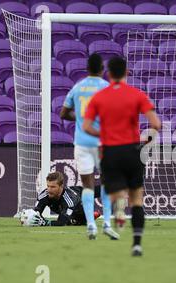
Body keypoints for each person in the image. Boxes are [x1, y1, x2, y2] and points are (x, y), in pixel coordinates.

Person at [83, 56, 161, 256]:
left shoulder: (99, 97)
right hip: (132, 149)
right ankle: (136, 244)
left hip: (110, 151)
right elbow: (156, 125)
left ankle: (118, 209)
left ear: (109, 74)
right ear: (126, 73)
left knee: (115, 190)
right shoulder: (137, 95)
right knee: (137, 199)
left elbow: (86, 126)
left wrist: (104, 136)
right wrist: (146, 141)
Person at [60, 53, 118, 240]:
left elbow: (63, 113)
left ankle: (91, 226)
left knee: (87, 185)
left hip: (82, 142)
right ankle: (107, 224)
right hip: (102, 142)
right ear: (103, 71)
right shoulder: (106, 88)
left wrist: (81, 118)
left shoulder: (77, 87)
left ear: (87, 69)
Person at [21, 171, 103, 228]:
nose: (49, 189)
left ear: (61, 186)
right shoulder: (44, 195)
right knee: (70, 220)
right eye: (48, 186)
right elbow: (37, 212)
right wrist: (30, 217)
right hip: (71, 200)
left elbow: (61, 222)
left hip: (80, 202)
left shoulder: (69, 200)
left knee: (75, 221)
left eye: (53, 187)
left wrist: (45, 222)